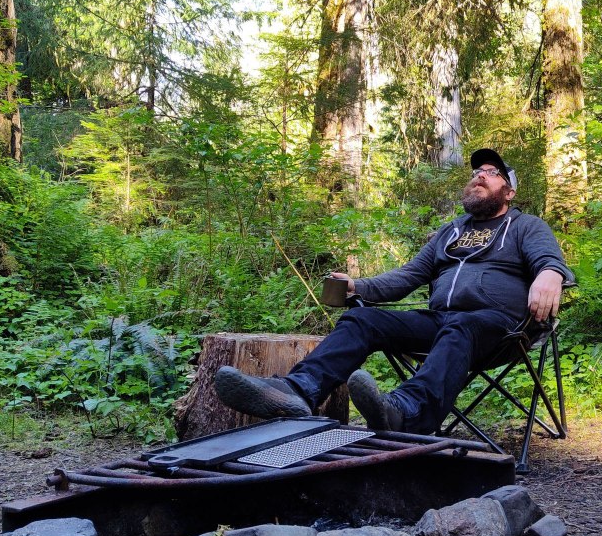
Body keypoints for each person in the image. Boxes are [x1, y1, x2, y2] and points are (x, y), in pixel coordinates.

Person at [215, 148, 574, 434]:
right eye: (476, 171)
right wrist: (357, 286)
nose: (480, 174)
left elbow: (549, 260)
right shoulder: (450, 232)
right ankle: (297, 390)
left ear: (509, 191)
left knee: (461, 326)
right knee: (361, 318)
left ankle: (408, 411)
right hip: (441, 323)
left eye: (492, 172)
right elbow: (407, 277)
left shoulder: (525, 226)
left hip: (500, 329)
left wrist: (550, 274)